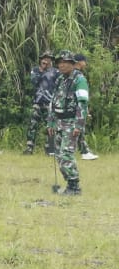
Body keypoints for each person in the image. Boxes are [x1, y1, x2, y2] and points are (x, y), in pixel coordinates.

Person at [48, 51, 88, 195]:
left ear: (72, 64)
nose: (61, 65)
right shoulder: (60, 80)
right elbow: (54, 101)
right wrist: (51, 122)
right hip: (59, 121)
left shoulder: (80, 80)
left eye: (65, 62)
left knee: (66, 154)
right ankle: (70, 183)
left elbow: (83, 104)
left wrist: (79, 125)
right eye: (59, 62)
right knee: (59, 155)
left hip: (71, 122)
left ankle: (74, 186)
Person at [24, 52, 59, 155]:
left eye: (49, 58)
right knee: (32, 125)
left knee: (50, 126)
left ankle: (49, 149)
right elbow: (34, 82)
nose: (47, 60)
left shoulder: (56, 72)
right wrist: (41, 70)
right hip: (37, 102)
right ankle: (29, 148)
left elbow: (59, 86)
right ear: (41, 60)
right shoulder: (35, 70)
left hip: (50, 103)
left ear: (52, 60)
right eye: (44, 58)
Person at [73, 54, 98, 160]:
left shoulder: (69, 74)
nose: (86, 63)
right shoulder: (78, 76)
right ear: (79, 62)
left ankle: (84, 151)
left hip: (71, 107)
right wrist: (84, 109)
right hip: (77, 107)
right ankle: (84, 152)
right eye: (84, 61)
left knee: (78, 130)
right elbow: (81, 96)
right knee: (80, 128)